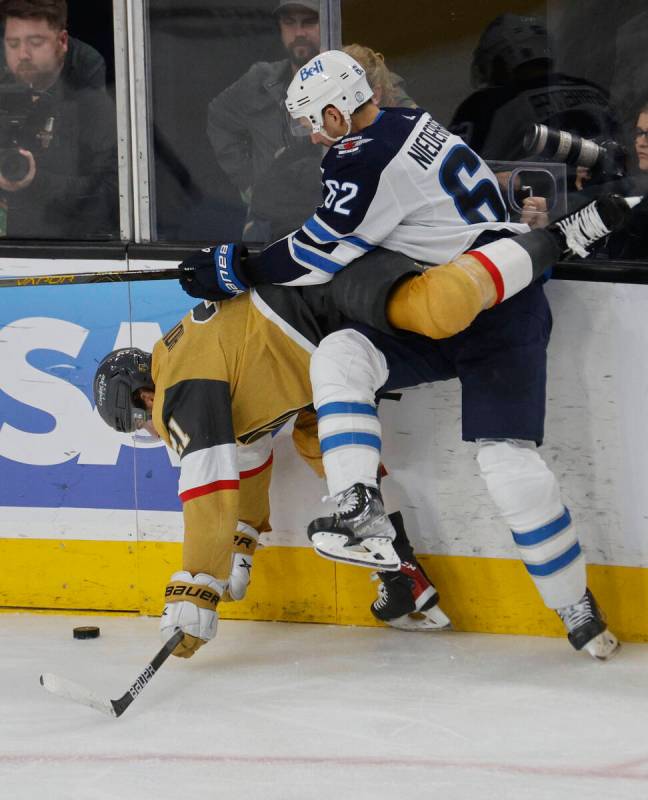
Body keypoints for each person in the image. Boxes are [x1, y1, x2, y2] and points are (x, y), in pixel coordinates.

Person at [178, 50, 629, 660]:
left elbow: (318, 256)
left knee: (504, 463)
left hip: (495, 304)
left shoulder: (363, 155)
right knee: (342, 355)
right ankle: (360, 508)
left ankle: (575, 608)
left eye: (317, 119)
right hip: (456, 295)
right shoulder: (408, 124)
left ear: (339, 110)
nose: (314, 133)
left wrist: (237, 267)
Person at [90, 181, 618, 659]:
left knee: (443, 312)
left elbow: (207, 483)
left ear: (143, 395)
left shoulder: (178, 378)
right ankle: (401, 573)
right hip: (339, 327)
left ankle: (553, 242)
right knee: (337, 437)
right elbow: (266, 451)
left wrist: (197, 586)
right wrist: (242, 541)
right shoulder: (226, 371)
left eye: (140, 423)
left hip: (350, 298)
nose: (152, 431)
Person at [0, 0, 117, 238]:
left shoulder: (90, 100)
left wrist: (35, 179)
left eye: (35, 43)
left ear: (62, 42)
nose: (22, 54)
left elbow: (106, 193)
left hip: (67, 237)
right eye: (12, 44)